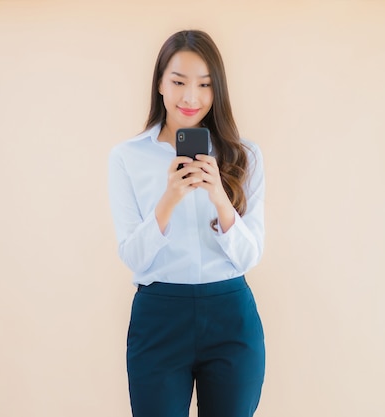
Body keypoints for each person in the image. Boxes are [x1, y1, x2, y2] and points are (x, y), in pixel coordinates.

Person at [108, 30, 266, 417]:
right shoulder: (128, 157)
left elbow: (249, 256)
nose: (190, 97)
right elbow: (133, 257)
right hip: (160, 317)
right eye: (178, 82)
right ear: (160, 83)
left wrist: (218, 196)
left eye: (204, 84)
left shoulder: (245, 156)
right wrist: (170, 198)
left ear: (217, 90)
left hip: (231, 317)